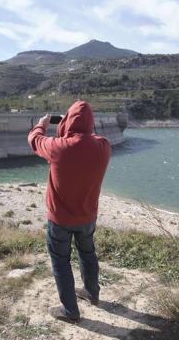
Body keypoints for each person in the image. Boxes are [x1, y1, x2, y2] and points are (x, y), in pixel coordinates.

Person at [27, 100, 111, 323]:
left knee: (61, 262)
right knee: (88, 253)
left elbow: (34, 141)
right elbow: (87, 141)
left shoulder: (57, 147)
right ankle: (92, 293)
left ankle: (71, 311)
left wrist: (41, 125)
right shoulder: (103, 146)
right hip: (88, 217)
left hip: (60, 220)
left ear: (66, 121)